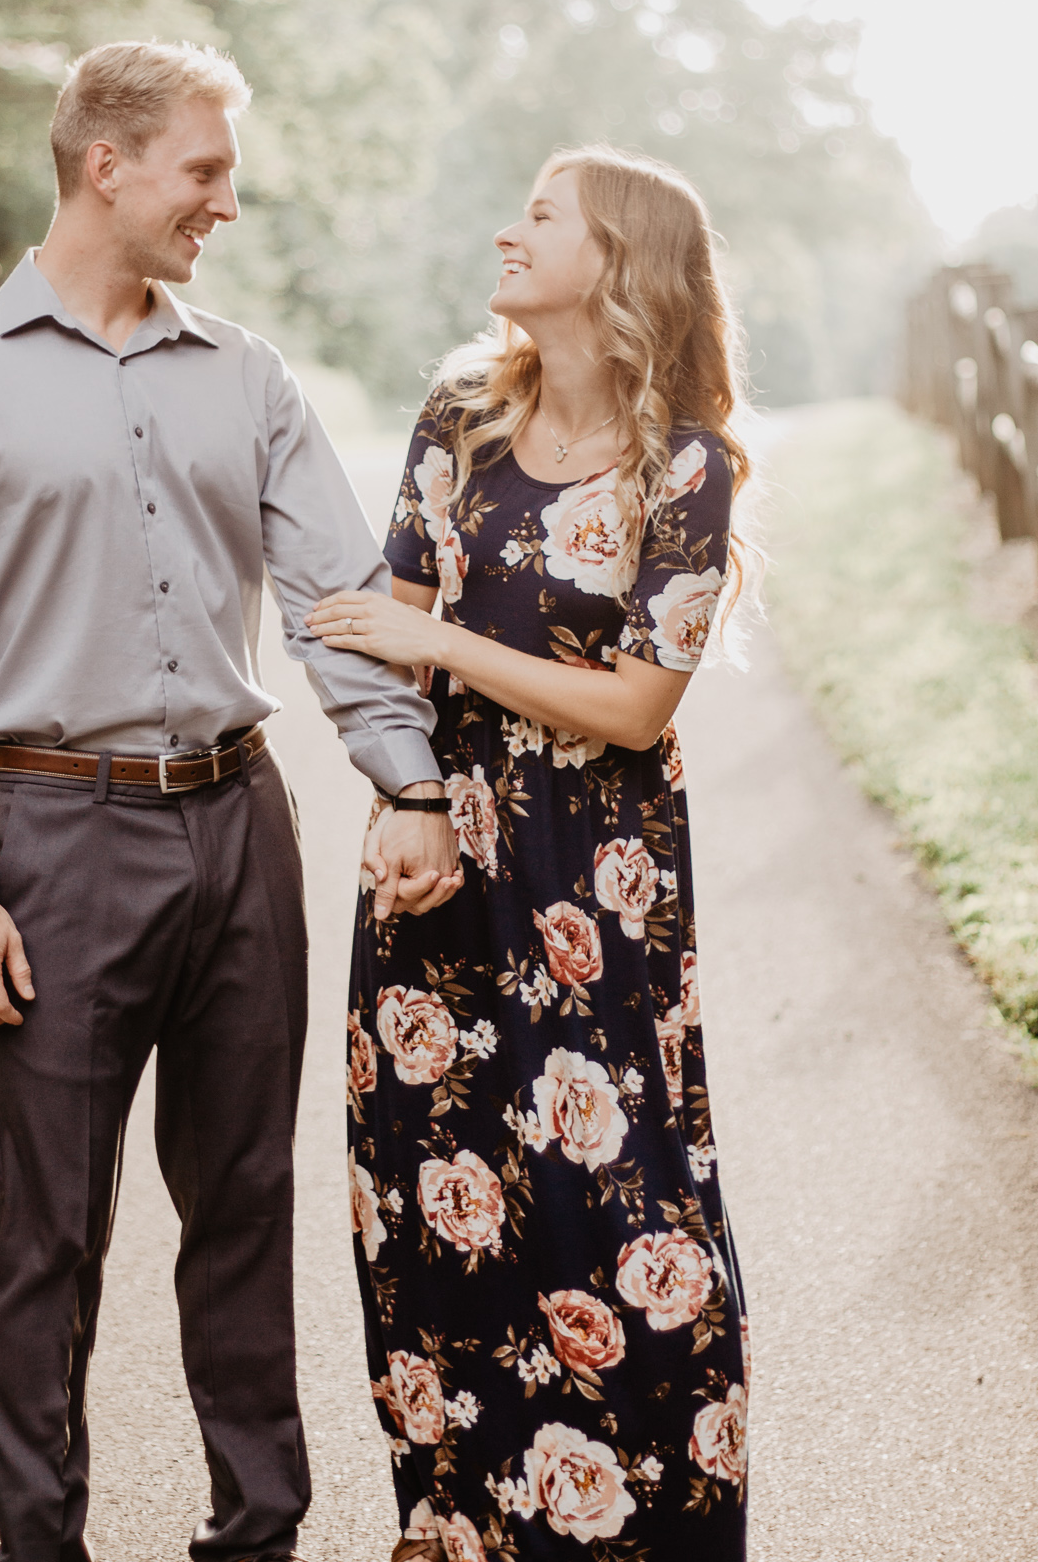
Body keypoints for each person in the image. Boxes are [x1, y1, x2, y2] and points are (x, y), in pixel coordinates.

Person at [0, 38, 460, 1562]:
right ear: (105, 165)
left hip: (241, 831)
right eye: (205, 169)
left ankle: (256, 1535)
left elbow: (336, 594)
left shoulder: (246, 376)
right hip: (53, 842)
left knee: (246, 1210)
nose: (226, 204)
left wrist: (409, 775)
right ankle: (38, 1546)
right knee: (50, 1234)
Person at [308, 144, 754, 1561]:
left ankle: (649, 1538)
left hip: (594, 880)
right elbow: (373, 642)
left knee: (616, 1207)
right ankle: (464, 1528)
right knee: (438, 1203)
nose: (507, 232)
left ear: (615, 259)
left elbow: (632, 704)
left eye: (540, 216)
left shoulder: (687, 466)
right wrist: (401, 796)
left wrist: (444, 641)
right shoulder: (457, 421)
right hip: (442, 853)